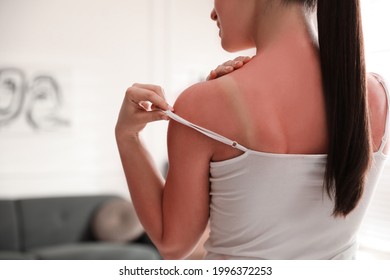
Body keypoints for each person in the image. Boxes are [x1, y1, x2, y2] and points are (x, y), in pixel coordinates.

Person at [115, 0, 389, 259]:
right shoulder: (379, 98)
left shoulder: (203, 104)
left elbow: (172, 244)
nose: (212, 12)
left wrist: (128, 137)